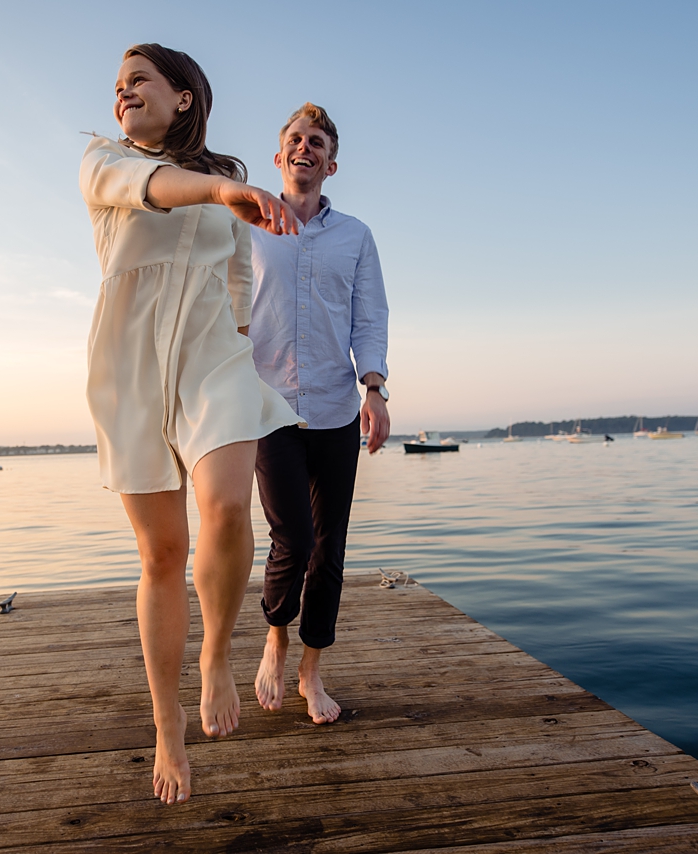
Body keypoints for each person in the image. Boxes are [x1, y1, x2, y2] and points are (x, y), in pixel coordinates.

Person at [78, 44, 303, 805]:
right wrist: (217, 190)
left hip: (214, 357)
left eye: (137, 80)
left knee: (229, 505)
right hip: (132, 366)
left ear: (183, 97)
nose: (122, 94)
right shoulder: (104, 162)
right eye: (117, 86)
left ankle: (216, 655)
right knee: (162, 553)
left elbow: (238, 273)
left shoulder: (226, 185)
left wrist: (238, 335)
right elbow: (156, 188)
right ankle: (166, 721)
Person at [248, 103, 390, 725]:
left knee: (329, 547)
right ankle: (275, 634)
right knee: (293, 538)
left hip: (335, 405)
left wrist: (375, 388)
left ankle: (312, 668)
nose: (305, 148)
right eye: (295, 140)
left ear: (331, 163)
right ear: (280, 158)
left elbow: (370, 316)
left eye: (317, 142)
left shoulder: (356, 236)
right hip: (266, 404)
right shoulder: (246, 225)